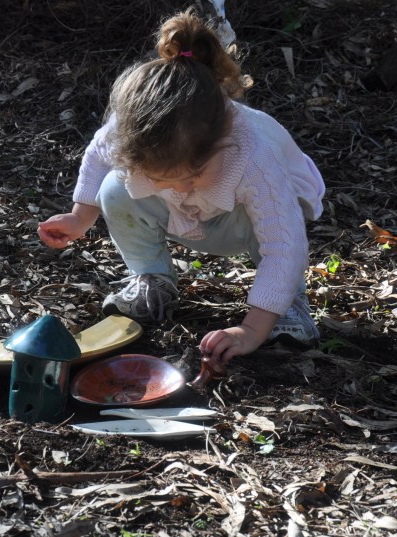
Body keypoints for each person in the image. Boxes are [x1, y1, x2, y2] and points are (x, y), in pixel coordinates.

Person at [37, 9, 325, 368]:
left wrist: (251, 330)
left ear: (219, 145)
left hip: (246, 219)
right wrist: (81, 217)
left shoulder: (251, 153)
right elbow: (98, 154)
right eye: (163, 177)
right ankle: (153, 280)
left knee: (273, 223)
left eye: (191, 176)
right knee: (114, 187)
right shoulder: (132, 128)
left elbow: (284, 242)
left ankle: (288, 307)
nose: (180, 187)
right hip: (192, 216)